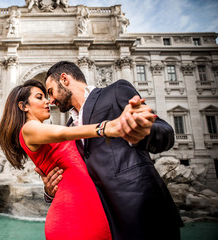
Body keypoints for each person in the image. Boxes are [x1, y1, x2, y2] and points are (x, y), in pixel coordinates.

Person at [38, 61, 184, 240]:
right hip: (104, 224)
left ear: (64, 79)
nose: (50, 100)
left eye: (51, 91)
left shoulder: (115, 91)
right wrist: (51, 190)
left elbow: (166, 132)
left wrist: (144, 131)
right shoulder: (69, 128)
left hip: (143, 214)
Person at [0, 79, 155, 240]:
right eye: (40, 97)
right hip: (73, 213)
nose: (47, 101)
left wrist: (49, 191)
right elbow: (62, 133)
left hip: (87, 207)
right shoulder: (28, 128)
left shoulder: (44, 130)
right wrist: (106, 128)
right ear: (23, 106)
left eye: (46, 95)